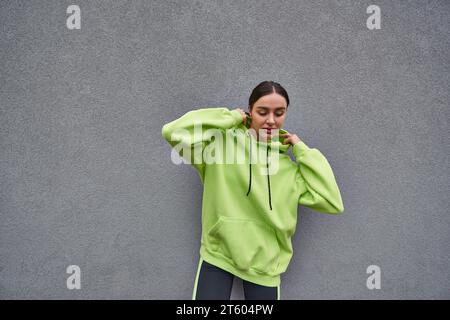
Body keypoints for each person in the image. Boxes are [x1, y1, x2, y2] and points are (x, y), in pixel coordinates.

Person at [161, 81, 344, 300]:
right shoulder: (220, 148)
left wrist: (302, 150)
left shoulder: (288, 169)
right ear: (250, 111)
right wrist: (230, 118)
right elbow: (173, 132)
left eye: (279, 113)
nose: (271, 120)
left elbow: (332, 201)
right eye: (262, 111)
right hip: (218, 255)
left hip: (265, 267)